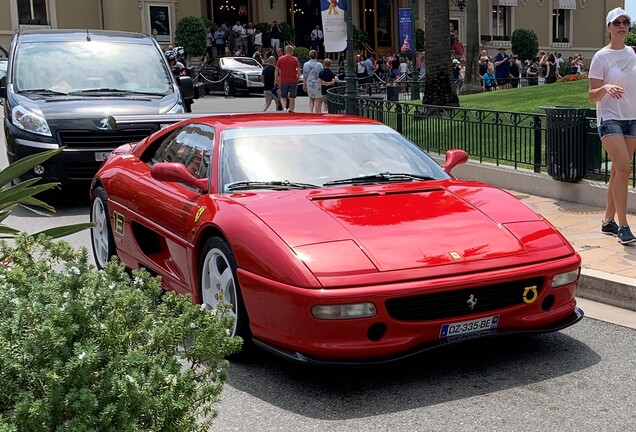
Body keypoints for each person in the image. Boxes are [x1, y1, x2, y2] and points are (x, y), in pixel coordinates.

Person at [589, 7, 636, 244]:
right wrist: (605, 88)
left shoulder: (632, 54)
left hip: (632, 118)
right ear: (608, 28)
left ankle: (608, 221)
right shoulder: (601, 57)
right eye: (616, 22)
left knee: (618, 172)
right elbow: (591, 95)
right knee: (624, 170)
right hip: (609, 118)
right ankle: (623, 225)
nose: (622, 25)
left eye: (625, 22)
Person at [276, 44, 300, 112]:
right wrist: (297, 79)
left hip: (284, 80)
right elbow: (298, 71)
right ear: (291, 51)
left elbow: (276, 70)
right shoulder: (295, 59)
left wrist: (276, 80)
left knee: (283, 96)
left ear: (286, 51)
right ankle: (291, 110)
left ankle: (284, 108)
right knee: (292, 97)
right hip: (293, 80)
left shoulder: (280, 59)